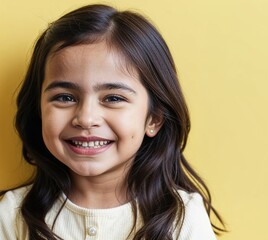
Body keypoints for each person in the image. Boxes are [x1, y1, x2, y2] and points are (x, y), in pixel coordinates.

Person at [0, 4, 225, 240]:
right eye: (65, 97)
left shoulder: (183, 218)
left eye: (113, 98)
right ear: (39, 109)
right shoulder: (11, 216)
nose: (86, 118)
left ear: (154, 118)